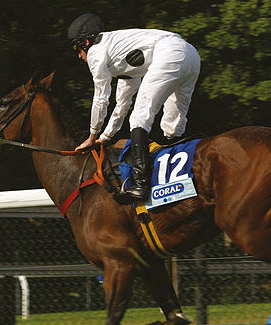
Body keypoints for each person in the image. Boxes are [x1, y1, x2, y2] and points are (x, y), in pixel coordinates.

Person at [68, 13, 201, 201]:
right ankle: (185, 173)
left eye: (76, 48)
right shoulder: (120, 55)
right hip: (192, 55)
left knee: (139, 118)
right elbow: (122, 104)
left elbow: (101, 98)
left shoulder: (96, 53)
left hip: (170, 53)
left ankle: (141, 184)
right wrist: (104, 137)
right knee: (172, 128)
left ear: (86, 42)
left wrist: (92, 135)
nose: (79, 56)